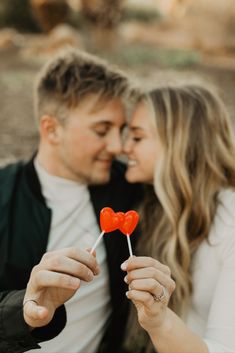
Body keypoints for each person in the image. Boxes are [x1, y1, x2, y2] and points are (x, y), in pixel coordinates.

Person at [0, 49, 143, 353]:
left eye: (121, 130)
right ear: (51, 129)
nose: (118, 146)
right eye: (102, 130)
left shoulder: (132, 187)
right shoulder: (4, 194)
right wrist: (25, 311)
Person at [122, 84, 235, 353]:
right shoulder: (152, 206)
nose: (124, 147)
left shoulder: (230, 221)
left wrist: (159, 322)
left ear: (178, 143)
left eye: (137, 138)